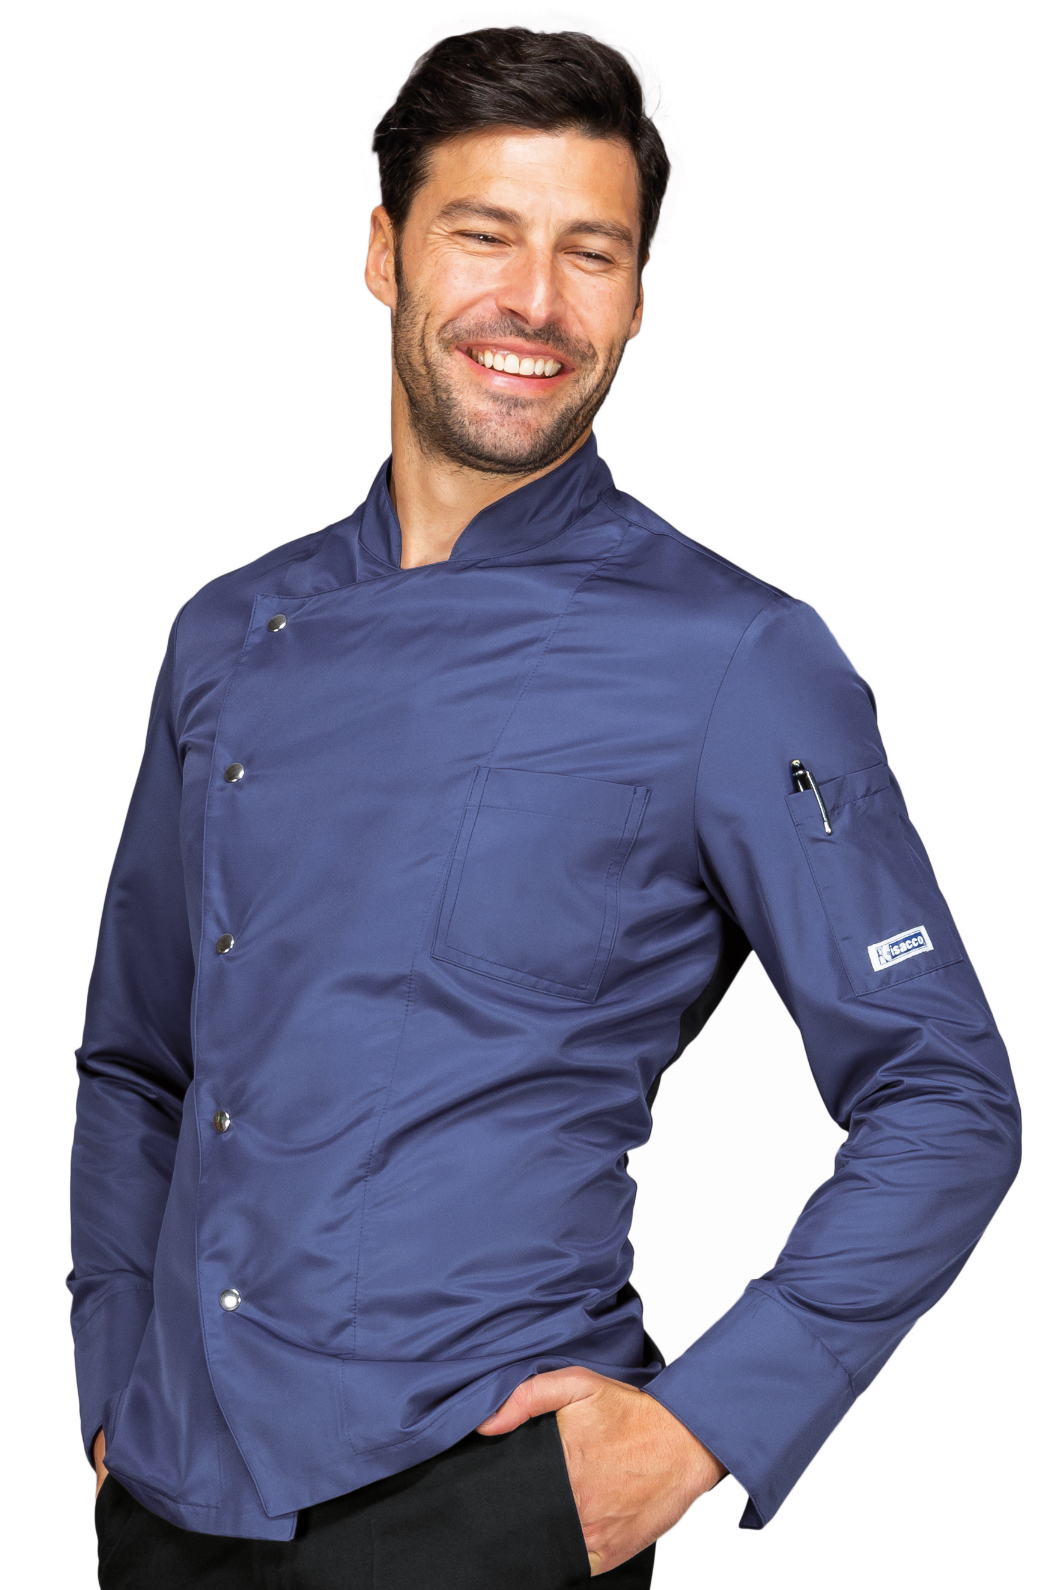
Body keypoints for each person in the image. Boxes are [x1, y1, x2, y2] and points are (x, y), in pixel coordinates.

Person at [70, 26, 1020, 1590]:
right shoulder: (227, 635)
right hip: (173, 1501)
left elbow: (944, 1090)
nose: (536, 301)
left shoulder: (739, 662)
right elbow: (138, 1058)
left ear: (637, 295)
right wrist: (114, 1372)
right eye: (484, 234)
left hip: (485, 1498)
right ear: (384, 253)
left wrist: (701, 1424)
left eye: (593, 252)